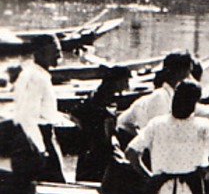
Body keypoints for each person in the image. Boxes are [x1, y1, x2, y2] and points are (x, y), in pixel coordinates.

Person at [11, 35, 65, 183]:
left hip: (42, 136)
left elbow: (43, 110)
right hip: (36, 140)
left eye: (59, 51)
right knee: (52, 186)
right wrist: (40, 149)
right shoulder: (35, 77)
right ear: (39, 53)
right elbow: (26, 116)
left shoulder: (41, 75)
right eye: (54, 51)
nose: (59, 56)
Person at [68, 66, 130, 185]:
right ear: (117, 81)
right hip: (97, 148)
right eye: (125, 81)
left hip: (91, 146)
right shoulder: (103, 98)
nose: (126, 85)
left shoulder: (101, 94)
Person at [116, 51, 195, 142]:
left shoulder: (173, 96)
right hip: (125, 138)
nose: (191, 79)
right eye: (188, 74)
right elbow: (158, 133)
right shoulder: (160, 97)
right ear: (179, 74)